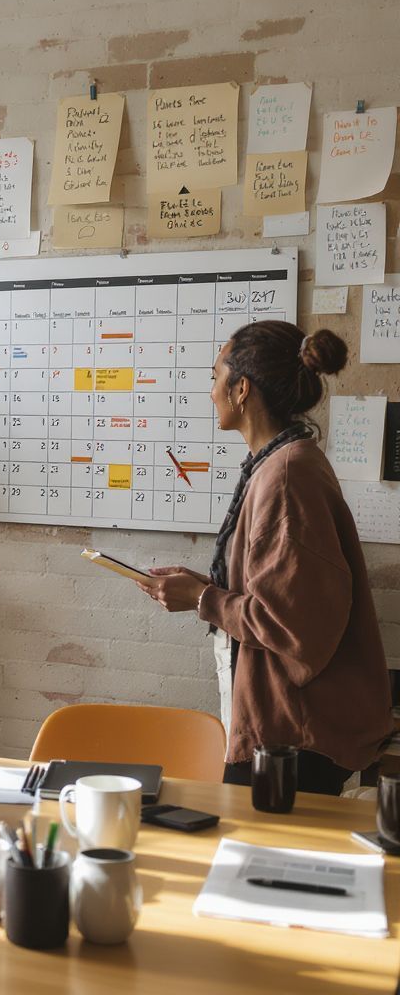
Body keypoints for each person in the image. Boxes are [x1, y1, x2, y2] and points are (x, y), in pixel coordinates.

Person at [138, 322, 392, 796]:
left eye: (215, 376)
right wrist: (203, 588)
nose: (209, 390)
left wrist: (204, 599)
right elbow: (279, 591)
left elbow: (292, 623)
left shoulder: (287, 475)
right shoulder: (280, 463)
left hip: (292, 735)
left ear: (241, 389)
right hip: (286, 725)